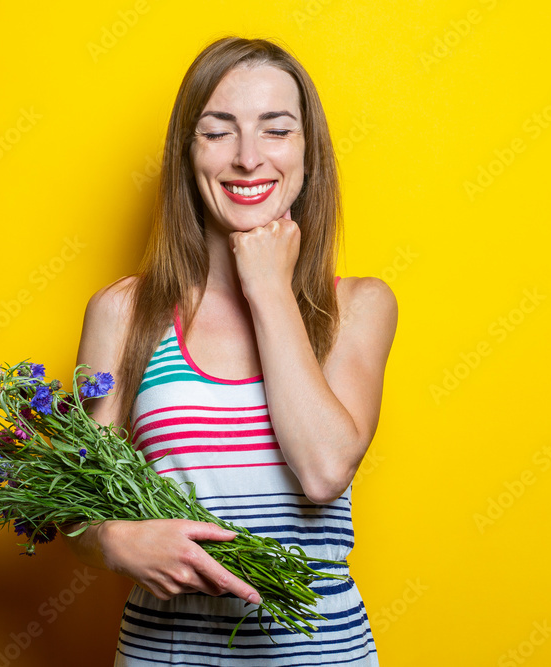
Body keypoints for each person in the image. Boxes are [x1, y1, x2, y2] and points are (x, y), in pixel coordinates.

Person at [65, 35, 397, 666]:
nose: (249, 158)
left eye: (276, 130)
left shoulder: (358, 306)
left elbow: (325, 471)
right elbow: (79, 514)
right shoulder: (122, 313)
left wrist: (269, 287)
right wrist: (114, 542)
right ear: (186, 154)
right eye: (218, 132)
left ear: (307, 152)